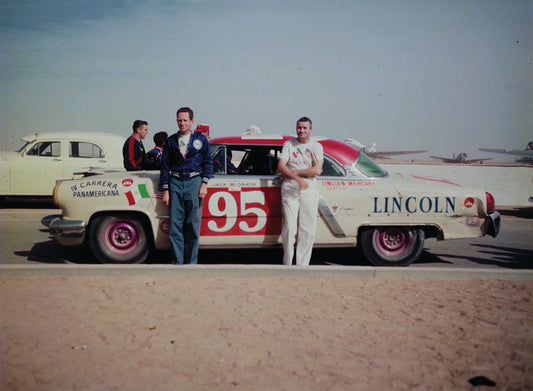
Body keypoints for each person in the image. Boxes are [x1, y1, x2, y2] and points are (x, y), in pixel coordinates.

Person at [160, 107, 213, 265]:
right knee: (175, 225)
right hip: (175, 182)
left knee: (192, 224)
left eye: (185, 120)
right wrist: (165, 190)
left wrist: (204, 183)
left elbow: (208, 163)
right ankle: (177, 261)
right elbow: (164, 166)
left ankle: (191, 264)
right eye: (179, 120)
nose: (182, 123)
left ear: (192, 121)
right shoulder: (170, 141)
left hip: (194, 182)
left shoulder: (200, 140)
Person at [277, 117, 323, 266]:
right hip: (291, 186)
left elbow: (316, 170)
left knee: (307, 228)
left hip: (309, 187)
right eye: (299, 128)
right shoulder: (289, 144)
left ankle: (302, 266)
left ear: (310, 129)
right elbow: (281, 167)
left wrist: (295, 172)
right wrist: (298, 178)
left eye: (305, 128)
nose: (301, 130)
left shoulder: (316, 146)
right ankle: (288, 263)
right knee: (290, 226)